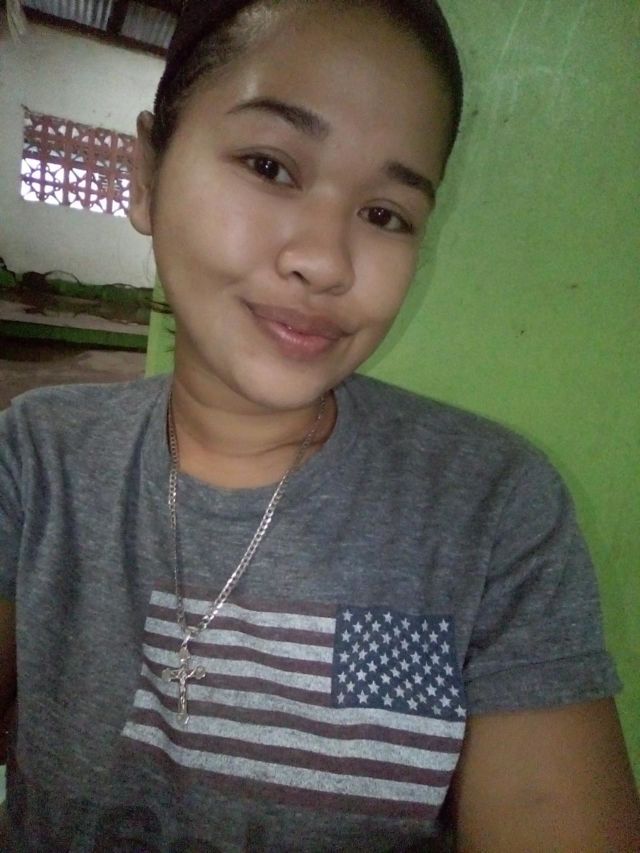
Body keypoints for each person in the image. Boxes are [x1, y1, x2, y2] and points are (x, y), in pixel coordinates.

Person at [1, 0, 639, 849]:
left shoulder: (492, 510)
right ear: (147, 175)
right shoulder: (36, 459)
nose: (326, 261)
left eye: (385, 214)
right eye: (270, 166)